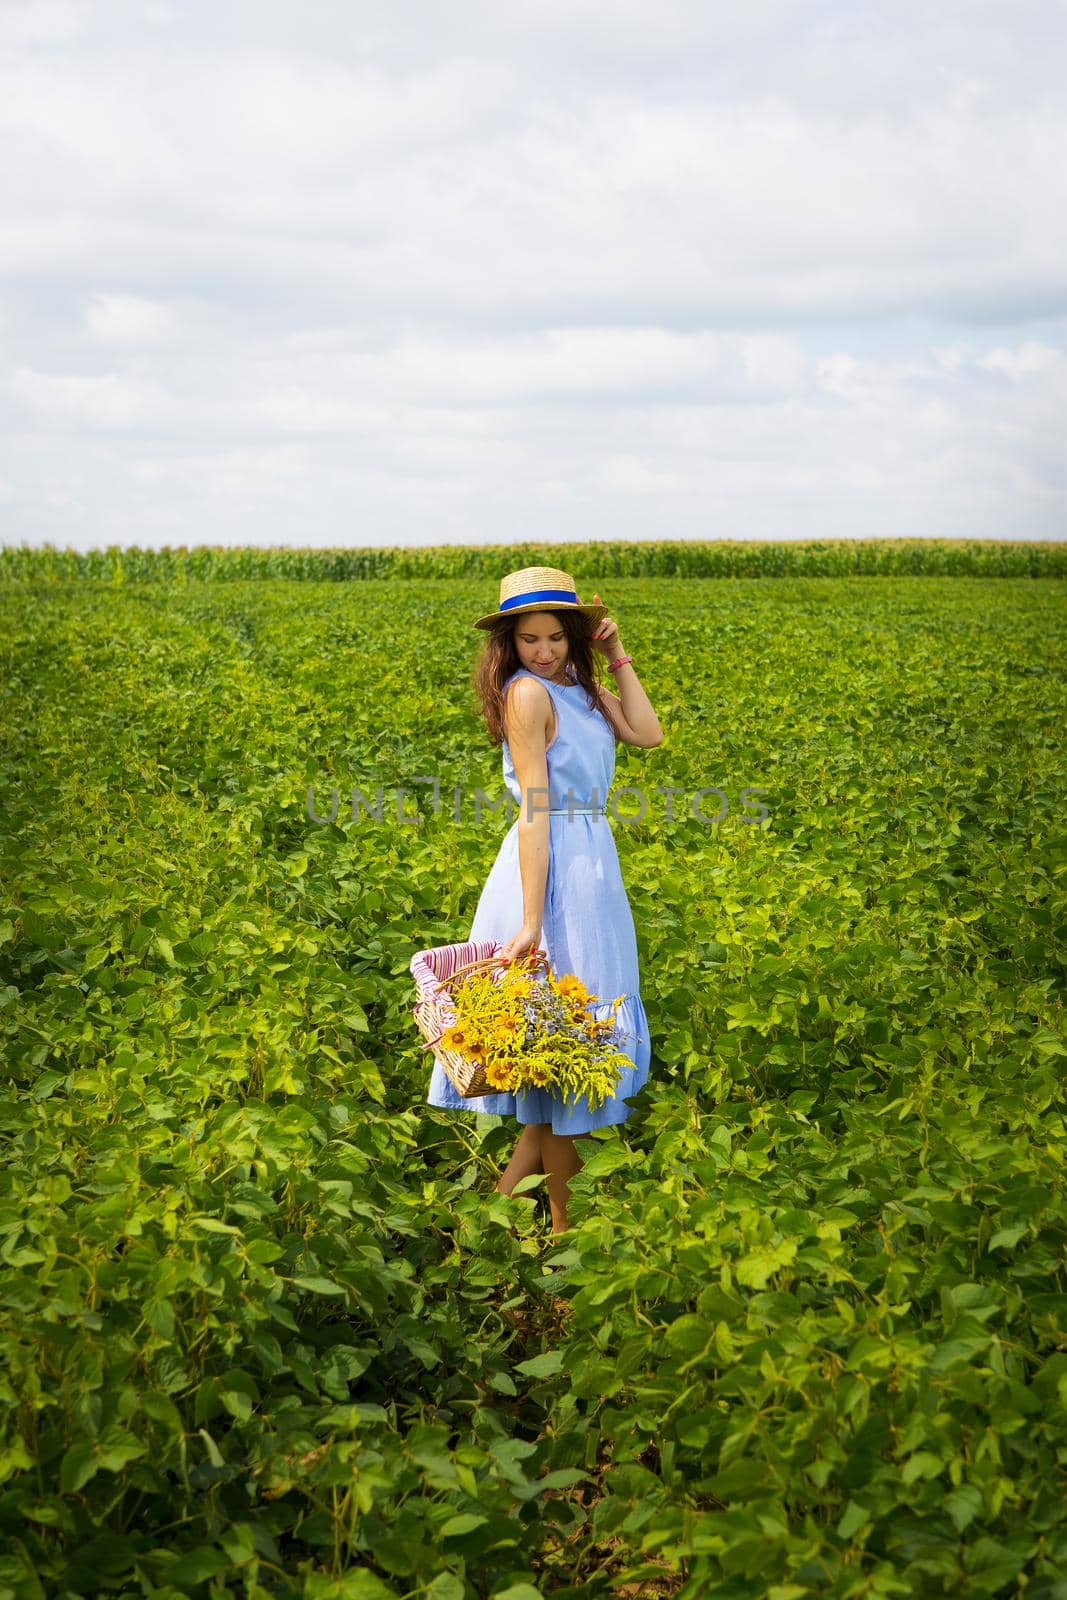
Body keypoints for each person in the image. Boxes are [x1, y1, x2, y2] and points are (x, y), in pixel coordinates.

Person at [425, 564, 664, 1234]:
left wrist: (617, 658)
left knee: (557, 1057)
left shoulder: (580, 689)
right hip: (550, 864)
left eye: (556, 637)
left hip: (589, 860)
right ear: (509, 643)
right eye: (529, 639)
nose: (543, 651)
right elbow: (534, 810)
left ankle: (487, 1229)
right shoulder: (528, 695)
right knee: (566, 1060)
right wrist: (530, 921)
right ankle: (564, 1236)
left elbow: (648, 734)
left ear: (575, 638)